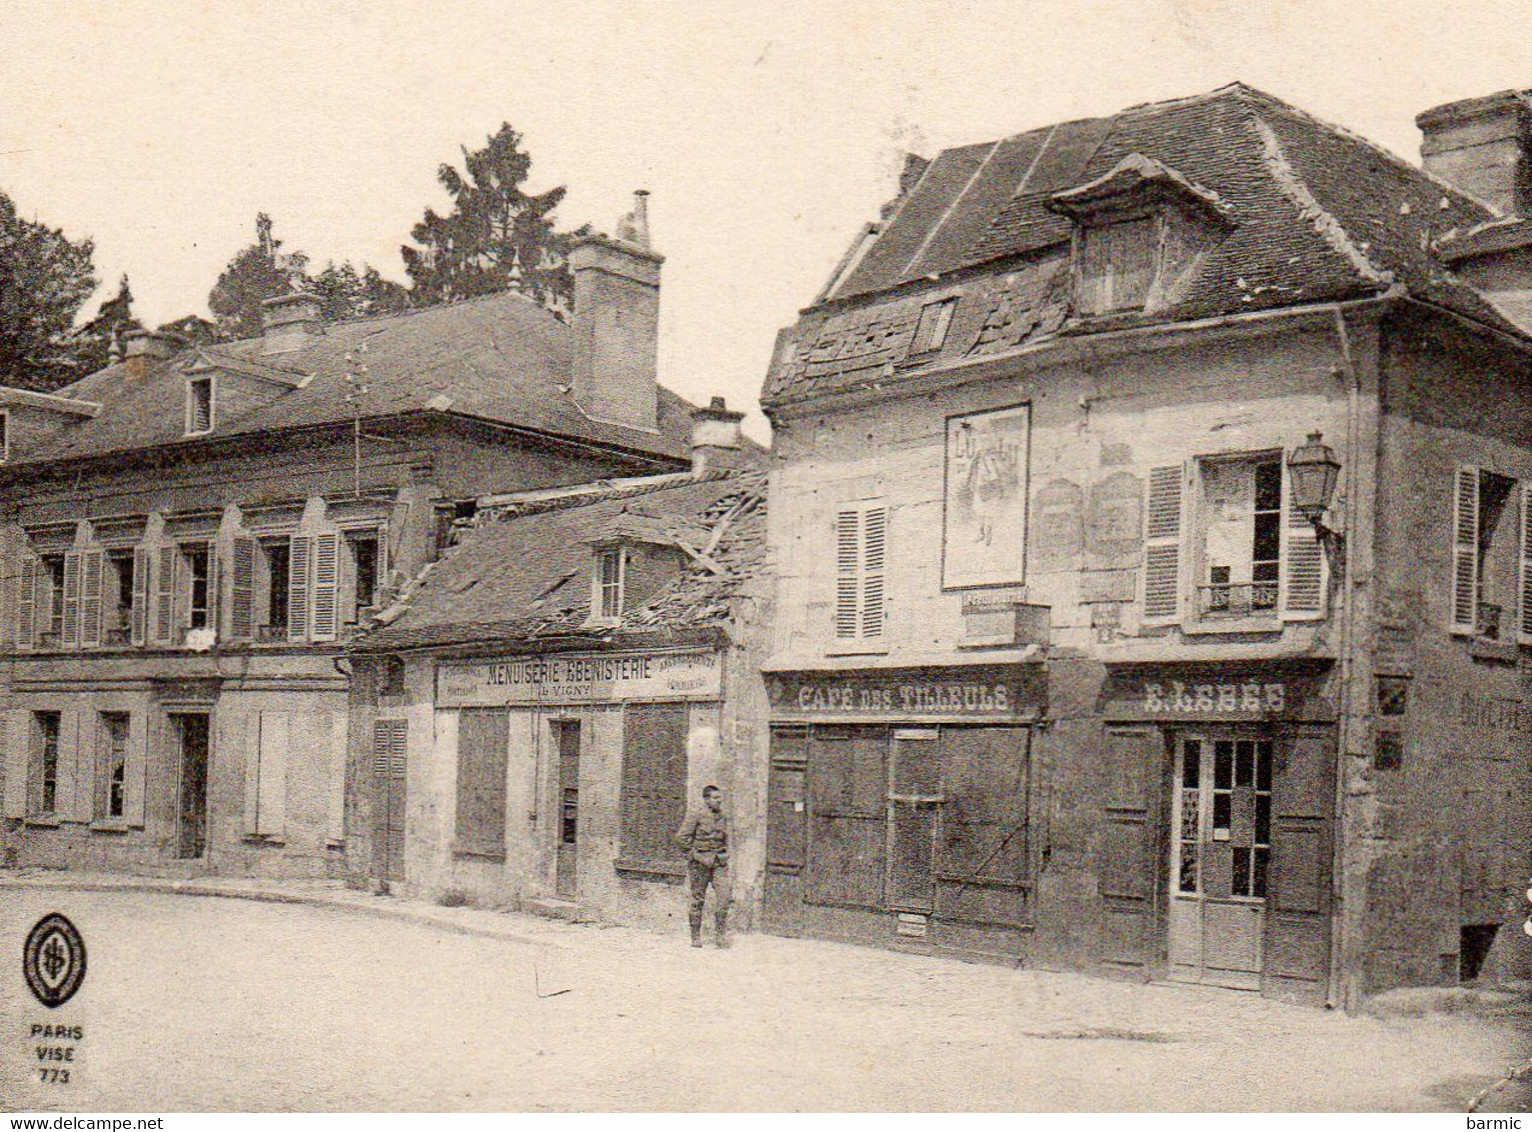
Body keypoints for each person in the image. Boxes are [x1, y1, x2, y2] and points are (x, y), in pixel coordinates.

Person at [674, 784, 730, 948]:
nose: (719, 801)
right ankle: (695, 936)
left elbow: (725, 838)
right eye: (715, 798)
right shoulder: (696, 815)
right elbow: (681, 838)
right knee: (698, 900)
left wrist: (725, 853)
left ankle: (719, 935)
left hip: (719, 863)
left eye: (720, 797)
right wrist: (692, 855)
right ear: (706, 799)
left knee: (724, 899)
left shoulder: (723, 816)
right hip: (700, 863)